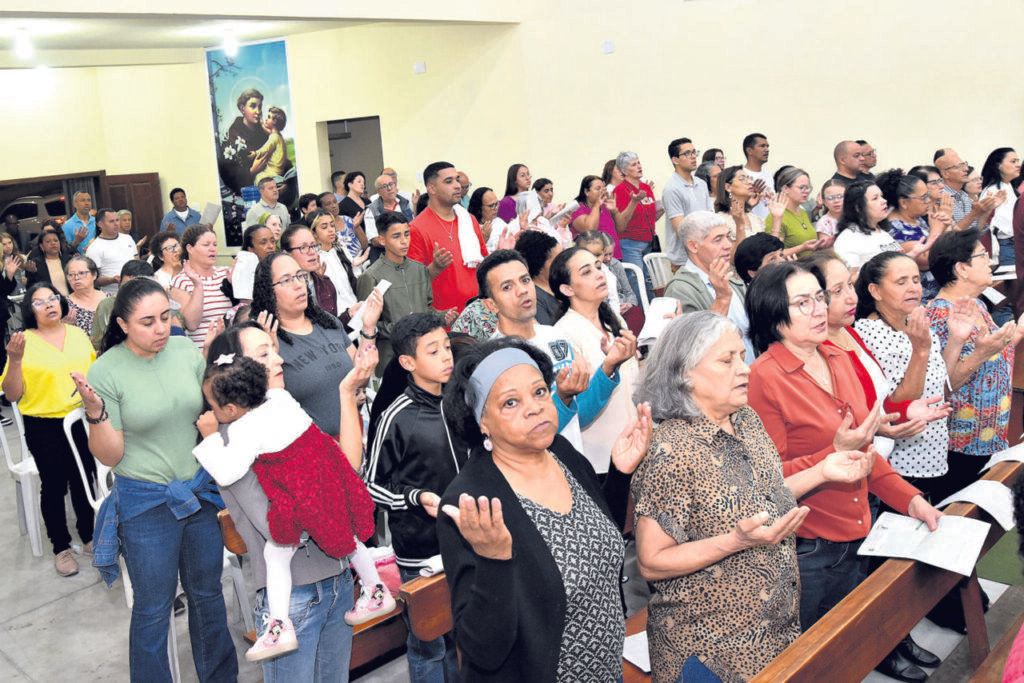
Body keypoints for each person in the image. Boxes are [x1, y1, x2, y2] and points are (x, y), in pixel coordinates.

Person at [632, 310, 878, 681]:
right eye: (726, 360)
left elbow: (765, 494)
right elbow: (652, 562)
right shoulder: (671, 451)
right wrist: (735, 541)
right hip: (711, 649)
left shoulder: (745, 418)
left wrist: (822, 471)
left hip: (773, 631)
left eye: (742, 357)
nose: (744, 369)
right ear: (685, 374)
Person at [744, 262, 943, 676]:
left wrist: (913, 502)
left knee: (848, 645)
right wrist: (829, 455)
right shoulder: (764, 378)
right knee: (810, 660)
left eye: (820, 297)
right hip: (807, 545)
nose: (819, 309)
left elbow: (866, 454)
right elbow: (767, 481)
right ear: (773, 314)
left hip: (858, 528)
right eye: (803, 302)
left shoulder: (838, 355)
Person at [437, 336, 651, 682]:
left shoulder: (561, 452)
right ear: (483, 422)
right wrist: (494, 559)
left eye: (539, 392)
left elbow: (598, 538)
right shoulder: (470, 501)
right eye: (510, 402)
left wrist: (620, 474)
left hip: (606, 670)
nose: (534, 407)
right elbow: (483, 649)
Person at [74, 277, 237, 682]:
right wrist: (95, 412)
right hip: (146, 503)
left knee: (208, 596)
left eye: (166, 317)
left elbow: (212, 411)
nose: (161, 328)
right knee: (153, 607)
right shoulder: (106, 370)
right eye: (148, 321)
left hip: (198, 491)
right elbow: (110, 455)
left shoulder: (184, 351)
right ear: (124, 324)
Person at [194, 354, 390, 661]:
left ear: (230, 409)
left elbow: (228, 471)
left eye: (212, 405)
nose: (210, 410)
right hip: (329, 477)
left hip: (302, 496)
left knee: (276, 552)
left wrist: (210, 438)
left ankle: (279, 625)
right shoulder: (280, 397)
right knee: (349, 538)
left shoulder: (245, 428)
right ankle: (376, 589)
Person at [363, 313, 463, 682]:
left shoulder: (458, 402)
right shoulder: (396, 416)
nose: (446, 357)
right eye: (433, 351)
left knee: (459, 636)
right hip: (420, 549)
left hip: (465, 538)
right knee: (428, 642)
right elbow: (371, 485)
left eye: (447, 348)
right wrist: (414, 497)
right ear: (408, 362)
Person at [479, 249, 630, 450]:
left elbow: (581, 416)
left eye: (525, 280)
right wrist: (563, 397)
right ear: (490, 305)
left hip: (575, 464)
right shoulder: (493, 360)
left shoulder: (554, 336)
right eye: (507, 287)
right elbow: (522, 437)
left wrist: (609, 367)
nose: (522, 290)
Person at [2, 283, 96, 576]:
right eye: (39, 302)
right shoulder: (23, 342)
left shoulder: (78, 334)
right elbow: (12, 394)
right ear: (30, 311)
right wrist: (15, 361)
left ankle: (90, 535)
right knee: (55, 484)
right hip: (44, 424)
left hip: (81, 419)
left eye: (53, 298)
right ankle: (61, 546)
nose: (49, 304)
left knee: (84, 478)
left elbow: (95, 373)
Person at [852, 252, 957, 500]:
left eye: (916, 280)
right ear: (875, 292)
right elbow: (896, 407)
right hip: (899, 462)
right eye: (901, 282)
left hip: (932, 451)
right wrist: (921, 350)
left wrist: (957, 339)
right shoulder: (871, 334)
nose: (913, 288)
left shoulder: (915, 322)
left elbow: (939, 386)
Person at [926, 229, 1022, 483]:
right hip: (959, 446)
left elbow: (994, 352)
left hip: (989, 438)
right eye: (982, 256)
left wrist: (1019, 329)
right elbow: (942, 386)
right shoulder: (939, 316)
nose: (991, 261)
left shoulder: (976, 304)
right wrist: (981, 353)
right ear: (962, 269)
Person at [251, 252, 381, 437]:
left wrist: (368, 329)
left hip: (353, 439)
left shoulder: (326, 322)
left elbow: (360, 378)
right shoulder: (262, 337)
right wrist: (269, 353)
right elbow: (261, 405)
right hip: (310, 454)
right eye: (286, 280)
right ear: (267, 291)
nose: (298, 285)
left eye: (300, 276)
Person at [551, 247, 640, 487]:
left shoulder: (614, 320)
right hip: (599, 459)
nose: (599, 274)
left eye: (598, 267)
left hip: (633, 445)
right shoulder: (563, 333)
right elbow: (576, 409)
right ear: (567, 289)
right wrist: (609, 366)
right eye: (587, 272)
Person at [357, 211, 457, 374]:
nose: (404, 241)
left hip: (423, 356)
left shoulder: (419, 270)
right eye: (396, 236)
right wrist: (400, 328)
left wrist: (442, 317)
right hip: (391, 359)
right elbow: (366, 324)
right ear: (382, 240)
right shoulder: (370, 276)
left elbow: (426, 308)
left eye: (407, 234)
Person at [664, 211, 754, 361]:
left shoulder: (733, 281)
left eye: (728, 236)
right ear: (693, 246)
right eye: (718, 240)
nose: (728, 245)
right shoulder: (680, 289)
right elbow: (694, 347)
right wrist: (722, 298)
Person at [408, 161, 488, 313]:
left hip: (477, 313)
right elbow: (414, 283)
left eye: (457, 179)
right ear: (432, 188)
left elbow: (483, 264)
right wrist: (435, 268)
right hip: (444, 320)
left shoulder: (468, 219)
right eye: (448, 181)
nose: (457, 185)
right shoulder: (416, 228)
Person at [880, 168, 952, 302]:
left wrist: (946, 225)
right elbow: (926, 260)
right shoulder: (895, 228)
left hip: (940, 290)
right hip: (921, 299)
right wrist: (937, 230)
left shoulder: (916, 218)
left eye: (928, 195)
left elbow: (947, 248)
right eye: (923, 197)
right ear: (904, 202)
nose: (929, 200)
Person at [169, 224, 232, 351]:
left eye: (215, 244)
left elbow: (245, 309)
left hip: (232, 348)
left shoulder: (225, 273)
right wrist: (198, 285)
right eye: (206, 245)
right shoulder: (181, 281)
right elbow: (191, 324)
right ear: (190, 248)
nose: (212, 249)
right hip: (203, 352)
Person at [612, 151, 659, 302]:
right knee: (637, 282)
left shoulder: (646, 187)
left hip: (649, 241)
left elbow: (650, 214)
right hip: (630, 243)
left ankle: (652, 311)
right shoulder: (619, 190)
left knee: (651, 281)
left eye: (639, 163)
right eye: (634, 164)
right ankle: (642, 314)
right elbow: (620, 222)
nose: (639, 166)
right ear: (624, 171)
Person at [833, 181, 903, 275]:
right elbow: (849, 278)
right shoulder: (849, 238)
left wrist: (912, 255)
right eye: (875, 198)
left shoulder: (881, 232)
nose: (884, 201)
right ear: (858, 207)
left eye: (881, 196)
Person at [663, 137, 713, 267]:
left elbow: (709, 218)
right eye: (687, 153)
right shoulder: (672, 189)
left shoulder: (701, 184)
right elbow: (681, 230)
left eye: (694, 152)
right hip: (685, 260)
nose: (693, 157)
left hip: (706, 255)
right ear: (675, 160)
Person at [91, 259, 155, 350]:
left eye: (137, 287)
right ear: (119, 282)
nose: (129, 291)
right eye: (125, 285)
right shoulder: (107, 305)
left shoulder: (157, 305)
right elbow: (96, 343)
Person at [935, 147, 1003, 231]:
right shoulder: (941, 197)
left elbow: (977, 232)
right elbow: (951, 235)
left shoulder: (965, 196)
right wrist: (974, 213)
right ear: (945, 173)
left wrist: (987, 210)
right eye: (959, 166)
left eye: (965, 164)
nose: (966, 169)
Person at [577, 230, 639, 323]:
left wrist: (629, 304)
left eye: (611, 254)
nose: (608, 258)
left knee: (636, 312)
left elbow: (629, 292)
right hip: (598, 312)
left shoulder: (614, 266)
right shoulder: (580, 272)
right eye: (605, 255)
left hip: (619, 307)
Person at [765, 167, 828, 253]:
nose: (806, 191)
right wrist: (802, 248)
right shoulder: (775, 216)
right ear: (786, 188)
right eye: (802, 187)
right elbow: (773, 254)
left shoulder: (803, 212)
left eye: (808, 187)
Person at [979, 147, 1021, 271]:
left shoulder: (1009, 187)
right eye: (1013, 162)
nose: (1018, 165)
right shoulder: (993, 191)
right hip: (1007, 246)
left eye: (1018, 161)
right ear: (998, 165)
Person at [514, 229, 562, 325]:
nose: (564, 262)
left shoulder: (562, 283)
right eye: (558, 259)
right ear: (540, 265)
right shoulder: (533, 299)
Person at [86, 208, 138, 295]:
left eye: (117, 220)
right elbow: (92, 280)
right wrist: (112, 279)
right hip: (112, 294)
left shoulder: (127, 238)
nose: (116, 224)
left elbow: (137, 262)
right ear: (100, 224)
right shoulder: (94, 248)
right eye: (111, 221)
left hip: (135, 290)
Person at [714, 165, 766, 246]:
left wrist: (777, 217)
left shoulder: (756, 219)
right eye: (743, 179)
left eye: (749, 178)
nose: (750, 182)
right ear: (728, 187)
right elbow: (733, 256)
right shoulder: (720, 221)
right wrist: (740, 225)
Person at [569, 175, 620, 257]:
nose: (602, 192)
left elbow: (621, 228)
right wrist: (597, 205)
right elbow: (590, 230)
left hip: (614, 256)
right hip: (594, 258)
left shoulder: (604, 206)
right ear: (586, 191)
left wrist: (615, 211)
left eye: (604, 188)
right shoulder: (577, 209)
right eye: (598, 188)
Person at [63, 255, 109, 337]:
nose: (76, 278)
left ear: (94, 275)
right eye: (71, 275)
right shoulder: (64, 305)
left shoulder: (109, 299)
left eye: (81, 273)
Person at [232, 223, 277, 303]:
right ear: (250, 249)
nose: (271, 246)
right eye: (263, 243)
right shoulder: (243, 272)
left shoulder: (279, 265)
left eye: (273, 241)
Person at [249, 106, 290, 185]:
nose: (266, 119)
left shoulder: (273, 137)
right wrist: (261, 123)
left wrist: (255, 153)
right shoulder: (278, 135)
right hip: (278, 171)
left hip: (273, 172)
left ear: (274, 121)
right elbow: (268, 131)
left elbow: (265, 149)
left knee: (258, 178)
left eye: (268, 117)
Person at [25, 227, 71, 295]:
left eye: (56, 240)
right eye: (48, 241)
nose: (53, 243)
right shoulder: (36, 264)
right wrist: (32, 274)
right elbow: (31, 289)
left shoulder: (69, 260)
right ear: (41, 246)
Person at [742, 133, 774, 219]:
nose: (767, 150)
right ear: (749, 151)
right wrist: (752, 194)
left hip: (769, 226)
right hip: (753, 226)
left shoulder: (768, 174)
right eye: (762, 146)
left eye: (767, 146)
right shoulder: (741, 175)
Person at [467, 186, 509, 252]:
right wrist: (483, 240)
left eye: (497, 203)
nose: (496, 208)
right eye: (491, 206)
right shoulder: (468, 225)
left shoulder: (499, 222)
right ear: (479, 207)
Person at [338, 171, 370, 251]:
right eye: (359, 182)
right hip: (356, 246)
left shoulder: (368, 202)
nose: (362, 184)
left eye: (363, 182)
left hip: (372, 241)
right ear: (350, 184)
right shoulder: (342, 205)